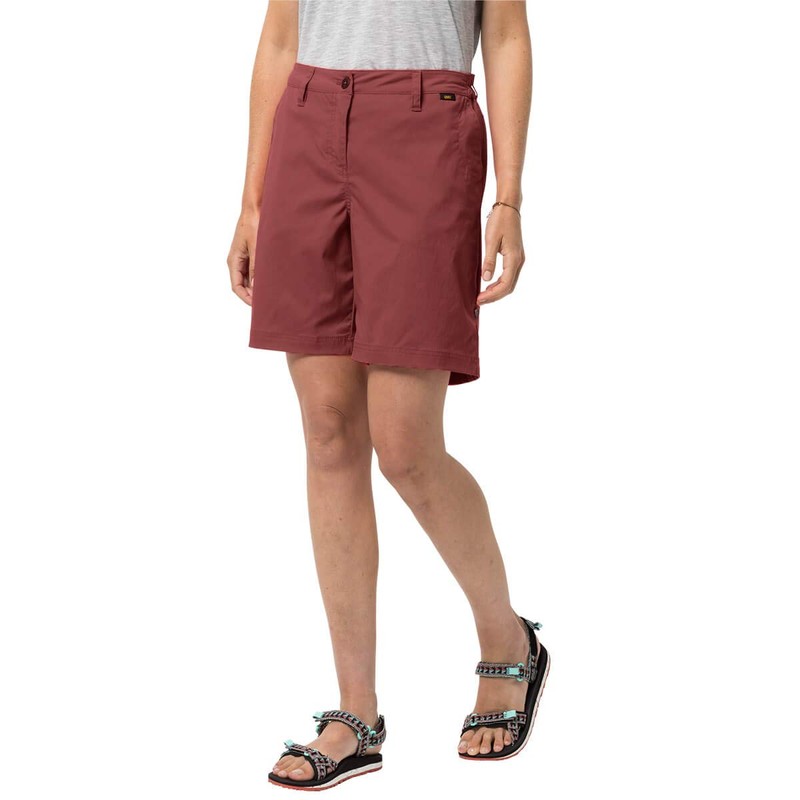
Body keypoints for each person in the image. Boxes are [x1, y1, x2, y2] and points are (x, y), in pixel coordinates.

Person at [227, 0, 548, 789]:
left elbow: (506, 33)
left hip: (426, 124)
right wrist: (252, 200)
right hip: (307, 119)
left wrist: (508, 197)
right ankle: (356, 715)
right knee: (329, 431)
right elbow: (281, 37)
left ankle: (508, 641)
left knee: (406, 444)